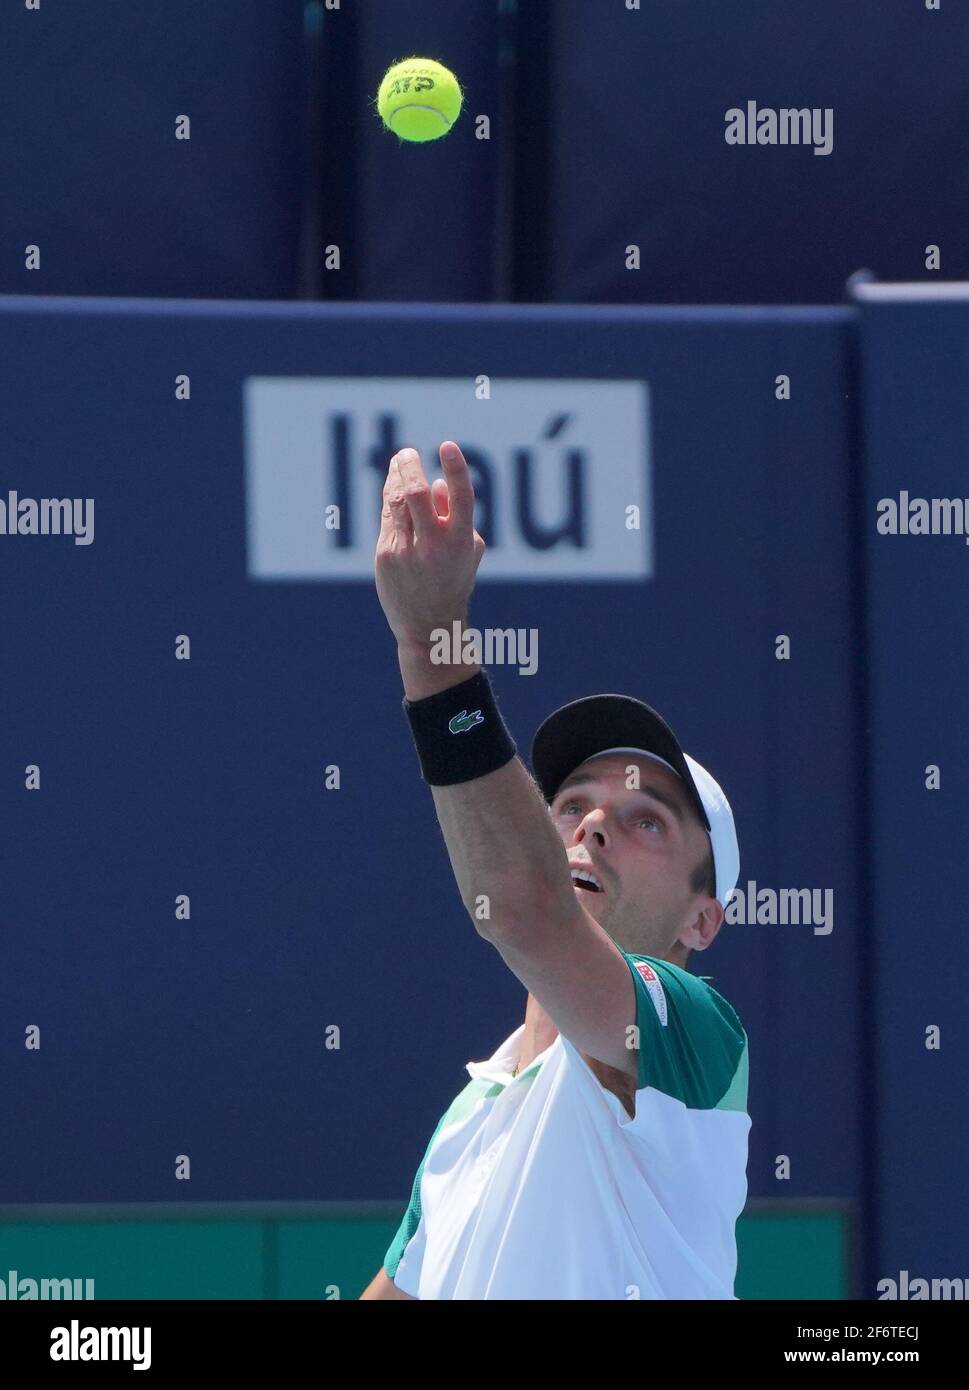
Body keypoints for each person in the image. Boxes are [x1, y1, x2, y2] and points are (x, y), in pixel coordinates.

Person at [360, 442, 750, 1300]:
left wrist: (431, 639)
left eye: (647, 820)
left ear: (701, 920)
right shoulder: (470, 1116)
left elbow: (526, 911)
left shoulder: (691, 1035)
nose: (595, 825)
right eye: (570, 806)